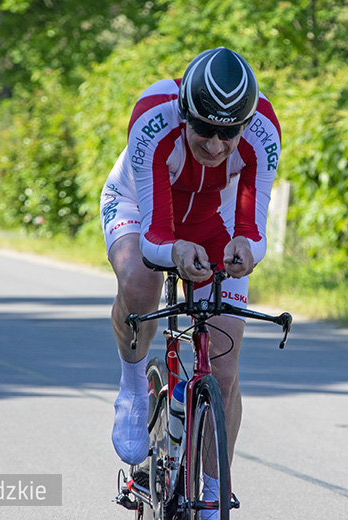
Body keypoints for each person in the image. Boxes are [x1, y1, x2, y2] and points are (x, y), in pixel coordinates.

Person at [99, 47, 282, 500]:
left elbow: (252, 227)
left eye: (228, 133)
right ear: (185, 115)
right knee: (142, 283)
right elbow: (156, 238)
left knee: (223, 367)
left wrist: (245, 248)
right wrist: (176, 251)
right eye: (204, 130)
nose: (217, 145)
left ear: (245, 123)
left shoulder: (263, 131)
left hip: (210, 218)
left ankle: (213, 494)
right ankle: (134, 387)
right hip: (140, 207)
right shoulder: (154, 118)